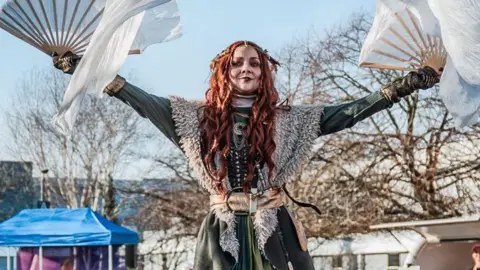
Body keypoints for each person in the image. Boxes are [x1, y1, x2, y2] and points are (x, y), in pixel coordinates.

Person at [53, 40, 440, 270]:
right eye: (237, 62)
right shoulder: (194, 119)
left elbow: (349, 112)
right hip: (222, 230)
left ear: (265, 72)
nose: (246, 68)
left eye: (254, 62)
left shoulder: (291, 119)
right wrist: (86, 70)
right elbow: (137, 98)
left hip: (275, 228)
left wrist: (405, 85)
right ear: (224, 71)